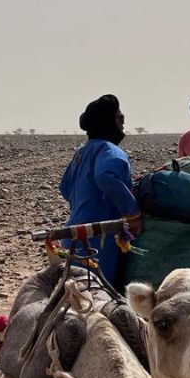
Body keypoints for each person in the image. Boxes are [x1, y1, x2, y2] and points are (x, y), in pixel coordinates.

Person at [59, 94, 142, 286]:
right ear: (108, 121)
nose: (123, 119)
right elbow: (105, 177)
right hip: (96, 240)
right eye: (118, 115)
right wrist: (133, 214)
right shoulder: (110, 151)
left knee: (73, 293)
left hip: (72, 234)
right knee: (96, 294)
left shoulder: (82, 151)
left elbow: (65, 187)